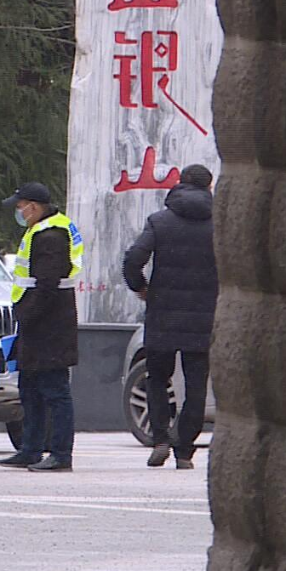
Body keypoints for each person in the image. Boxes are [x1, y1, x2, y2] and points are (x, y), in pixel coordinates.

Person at [123, 164, 217, 470]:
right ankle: (185, 449)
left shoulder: (160, 222)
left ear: (179, 184)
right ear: (209, 188)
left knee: (157, 378)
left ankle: (161, 437)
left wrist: (142, 289)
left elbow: (133, 260)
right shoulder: (219, 226)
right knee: (196, 384)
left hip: (163, 313)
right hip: (204, 316)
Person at [0, 182, 83, 472]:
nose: (19, 212)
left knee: (55, 390)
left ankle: (60, 453)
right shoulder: (41, 229)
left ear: (34, 206)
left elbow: (47, 283)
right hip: (38, 323)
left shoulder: (52, 234)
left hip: (49, 324)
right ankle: (30, 449)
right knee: (30, 388)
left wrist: (28, 315)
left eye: (20, 206)